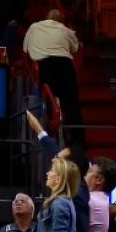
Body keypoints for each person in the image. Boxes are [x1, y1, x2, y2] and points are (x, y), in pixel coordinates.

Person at [23, 9, 83, 144]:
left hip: (44, 67)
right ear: (61, 21)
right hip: (64, 66)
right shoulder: (65, 30)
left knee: (49, 105)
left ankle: (49, 136)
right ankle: (78, 142)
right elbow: (75, 48)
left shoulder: (33, 27)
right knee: (71, 104)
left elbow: (26, 50)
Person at [87, 157, 116, 232]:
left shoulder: (91, 201)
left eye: (89, 171)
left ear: (99, 180)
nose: (84, 175)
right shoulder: (102, 199)